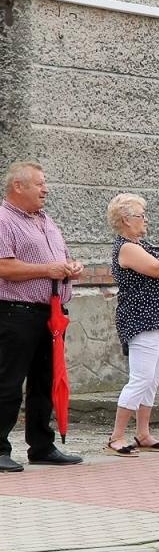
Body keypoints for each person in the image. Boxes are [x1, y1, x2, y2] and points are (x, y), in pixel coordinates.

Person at [0, 160, 84, 471]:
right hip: (16, 312)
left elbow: (59, 258)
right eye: (39, 183)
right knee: (8, 382)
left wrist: (71, 267)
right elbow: (4, 266)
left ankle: (42, 446)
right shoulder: (4, 220)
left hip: (51, 313)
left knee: (45, 382)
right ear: (17, 186)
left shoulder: (45, 220)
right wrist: (48, 269)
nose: (45, 189)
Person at [104, 194, 159, 456]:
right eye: (141, 215)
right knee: (140, 378)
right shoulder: (126, 248)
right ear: (126, 220)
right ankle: (116, 437)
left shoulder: (144, 245)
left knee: (152, 379)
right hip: (143, 321)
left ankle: (143, 433)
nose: (146, 220)